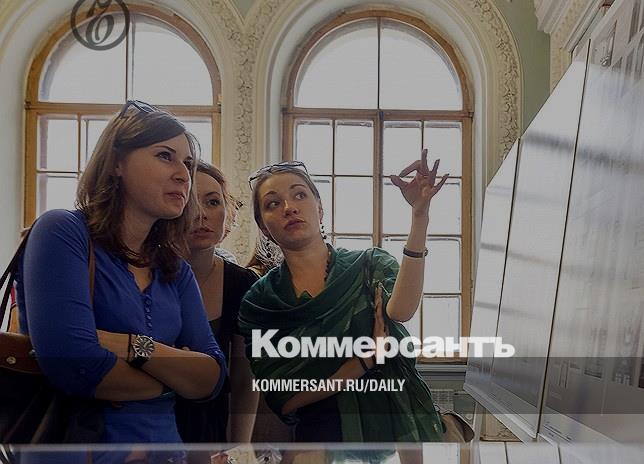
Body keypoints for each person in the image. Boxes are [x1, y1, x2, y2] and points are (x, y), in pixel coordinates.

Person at [15, 99, 226, 444]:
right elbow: (75, 365)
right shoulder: (62, 231)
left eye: (188, 163)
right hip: (81, 450)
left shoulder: (175, 268)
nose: (183, 174)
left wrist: (131, 346)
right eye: (165, 156)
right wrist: (175, 378)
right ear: (116, 163)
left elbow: (212, 379)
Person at [239, 151, 450, 442]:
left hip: (394, 429)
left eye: (299, 195)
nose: (289, 208)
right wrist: (363, 362)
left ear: (320, 209)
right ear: (263, 226)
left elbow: (401, 311)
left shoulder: (369, 265)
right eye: (273, 203)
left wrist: (419, 217)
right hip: (319, 437)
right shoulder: (261, 302)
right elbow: (283, 399)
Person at [175, 161, 259, 444]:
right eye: (189, 202)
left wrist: (239, 449)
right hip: (148, 432)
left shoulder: (242, 283)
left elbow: (245, 379)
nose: (201, 214)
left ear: (228, 212)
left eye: (213, 202)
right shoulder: (143, 275)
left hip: (210, 434)